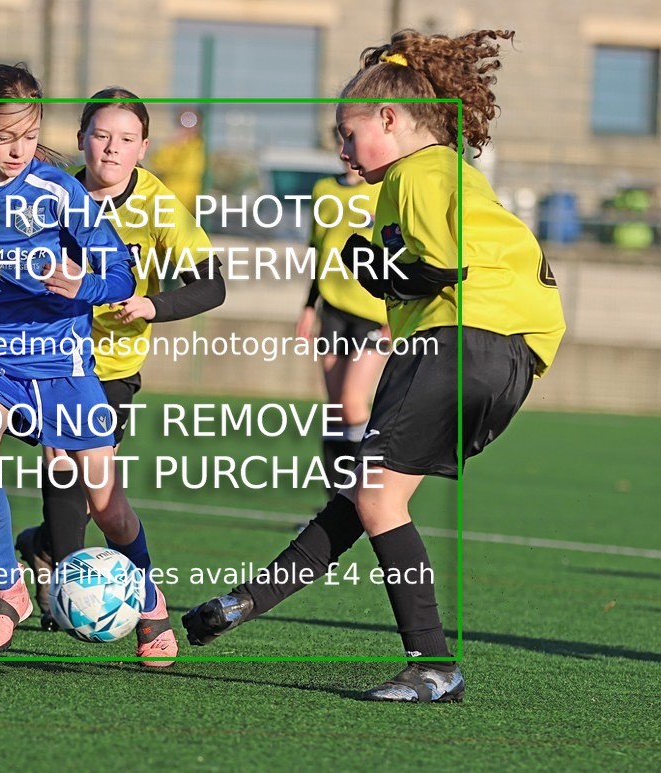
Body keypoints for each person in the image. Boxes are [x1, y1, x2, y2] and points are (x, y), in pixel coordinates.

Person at [182, 29, 566, 702]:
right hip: (515, 354)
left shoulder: (417, 173)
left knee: (376, 495)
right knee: (368, 496)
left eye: (347, 131)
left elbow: (443, 265)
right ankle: (248, 601)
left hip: (464, 336)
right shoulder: (451, 171)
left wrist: (375, 264)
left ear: (389, 120)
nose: (341, 147)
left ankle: (434, 664)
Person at [0, 65, 179, 664]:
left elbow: (120, 272)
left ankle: (149, 603)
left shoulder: (60, 192)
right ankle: (8, 592)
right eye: (1, 136)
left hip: (63, 358)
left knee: (107, 504)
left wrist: (82, 285)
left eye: (28, 133)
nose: (16, 149)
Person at [13, 88, 225, 635]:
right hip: (46, 355)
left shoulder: (157, 206)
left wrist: (151, 303)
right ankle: (68, 582)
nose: (111, 148)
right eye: (101, 135)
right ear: (81, 138)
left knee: (98, 496)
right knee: (63, 461)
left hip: (112, 367)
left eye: (126, 139)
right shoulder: (49, 196)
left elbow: (212, 286)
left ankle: (42, 548)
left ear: (143, 148)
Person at [297, 144, 388, 495]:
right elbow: (320, 254)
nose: (345, 148)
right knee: (335, 411)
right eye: (341, 138)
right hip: (332, 310)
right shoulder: (324, 190)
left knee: (353, 404)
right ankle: (333, 506)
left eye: (351, 138)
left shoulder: (383, 190)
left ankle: (369, 495)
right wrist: (309, 306)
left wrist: (397, 315)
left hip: (373, 313)